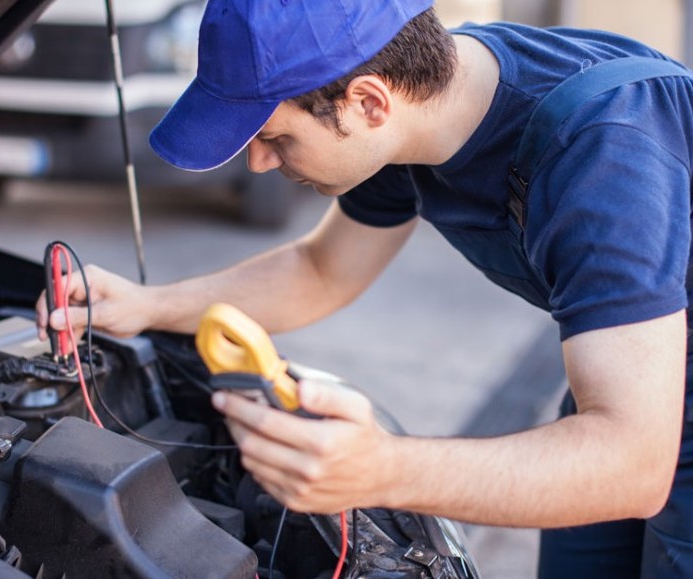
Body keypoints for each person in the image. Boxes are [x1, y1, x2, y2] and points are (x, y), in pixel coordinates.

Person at [36, 1, 693, 577]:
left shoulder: (602, 157)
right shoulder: (413, 114)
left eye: (275, 137)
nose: (259, 161)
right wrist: (148, 305)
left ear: (369, 102)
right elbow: (322, 269)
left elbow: (632, 461)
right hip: (632, 382)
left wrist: (383, 468)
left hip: (643, 423)